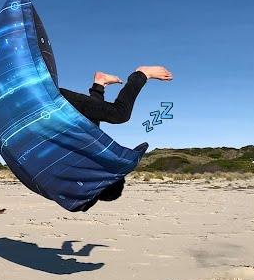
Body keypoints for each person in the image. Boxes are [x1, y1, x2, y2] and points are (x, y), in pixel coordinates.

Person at [59, 66, 173, 205]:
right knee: (92, 128)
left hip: (54, 101)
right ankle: (101, 83)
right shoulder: (72, 167)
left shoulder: (79, 162)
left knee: (120, 114)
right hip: (52, 108)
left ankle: (141, 74)